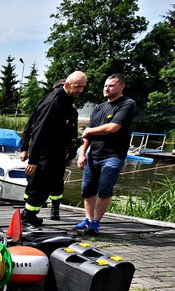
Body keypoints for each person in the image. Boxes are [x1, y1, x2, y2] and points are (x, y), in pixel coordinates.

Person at [20, 71, 87, 228]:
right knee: (40, 187)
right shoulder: (53, 103)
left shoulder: (67, 104)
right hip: (46, 154)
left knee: (48, 186)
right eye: (78, 87)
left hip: (57, 154)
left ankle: (29, 216)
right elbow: (38, 131)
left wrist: (70, 154)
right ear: (67, 85)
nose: (80, 90)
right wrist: (33, 159)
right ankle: (28, 218)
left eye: (83, 87)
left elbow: (66, 133)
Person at [74, 73, 138, 235]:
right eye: (105, 86)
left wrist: (89, 130)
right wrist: (82, 154)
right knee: (87, 190)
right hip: (93, 155)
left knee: (104, 189)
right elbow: (87, 136)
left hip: (113, 156)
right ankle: (88, 218)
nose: (106, 88)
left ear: (121, 86)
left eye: (111, 85)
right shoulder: (98, 108)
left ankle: (96, 222)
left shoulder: (127, 104)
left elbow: (112, 127)